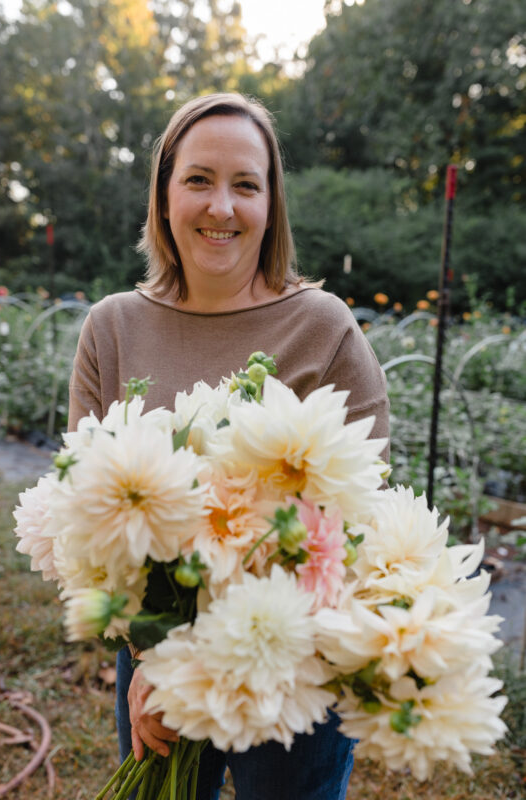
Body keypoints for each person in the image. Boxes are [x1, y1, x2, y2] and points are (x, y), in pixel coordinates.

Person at [68, 92, 389, 800]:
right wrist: (148, 654)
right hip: (154, 649)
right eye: (198, 180)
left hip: (294, 661)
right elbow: (88, 523)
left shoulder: (324, 328)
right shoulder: (111, 329)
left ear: (271, 205)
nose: (222, 207)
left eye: (245, 184)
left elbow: (367, 521)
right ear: (163, 194)